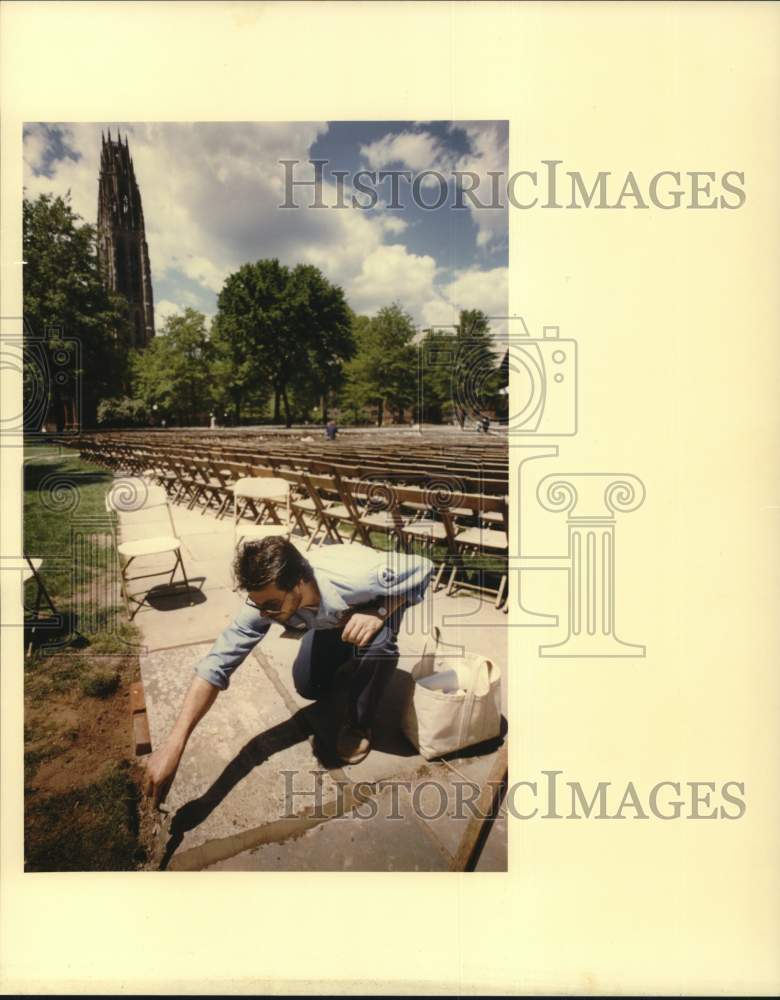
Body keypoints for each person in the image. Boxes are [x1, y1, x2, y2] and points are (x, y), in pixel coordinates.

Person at [142, 537, 434, 804]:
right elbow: (218, 661)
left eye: (271, 605)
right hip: (330, 617)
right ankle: (348, 652)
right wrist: (174, 744)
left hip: (377, 605)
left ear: (299, 584)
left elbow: (424, 567)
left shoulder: (362, 575)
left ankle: (359, 721)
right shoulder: (267, 599)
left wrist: (379, 612)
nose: (264, 614)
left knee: (379, 648)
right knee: (309, 686)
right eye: (258, 605)